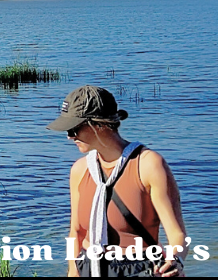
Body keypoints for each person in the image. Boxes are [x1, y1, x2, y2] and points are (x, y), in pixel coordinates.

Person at [48, 85, 188, 278]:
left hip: (139, 270)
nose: (70, 136)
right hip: (89, 268)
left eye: (74, 128)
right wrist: (73, 272)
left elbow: (177, 235)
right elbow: (77, 232)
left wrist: (175, 261)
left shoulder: (148, 165)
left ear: (99, 124)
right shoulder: (79, 170)